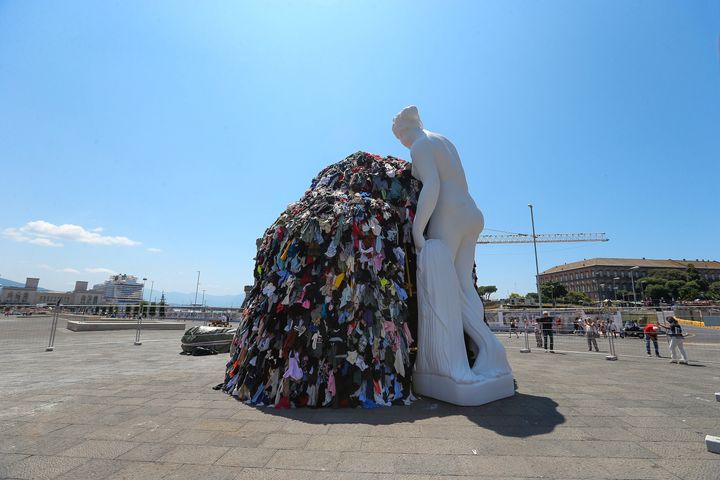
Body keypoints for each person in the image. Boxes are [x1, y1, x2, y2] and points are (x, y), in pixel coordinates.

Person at [392, 105, 513, 405]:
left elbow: (431, 185)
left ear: (406, 130)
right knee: (462, 285)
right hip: (471, 212)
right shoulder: (443, 140)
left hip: (447, 214)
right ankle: (492, 353)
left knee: (445, 287)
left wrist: (418, 230)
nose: (403, 144)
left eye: (400, 137)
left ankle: (463, 360)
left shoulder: (420, 145)